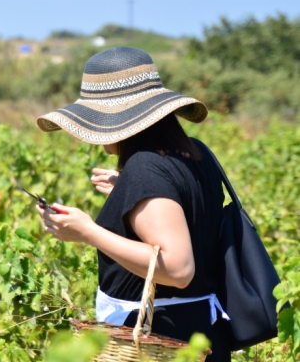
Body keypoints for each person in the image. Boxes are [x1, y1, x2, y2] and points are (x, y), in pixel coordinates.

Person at [35, 46, 231, 361]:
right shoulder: (195, 152)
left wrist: (87, 231)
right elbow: (186, 209)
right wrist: (126, 192)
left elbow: (178, 268)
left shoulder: (144, 168)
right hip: (201, 333)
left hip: (160, 341)